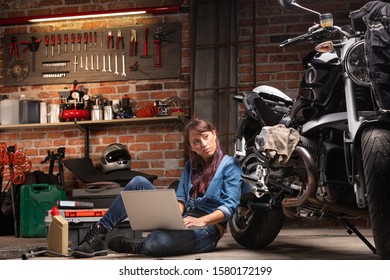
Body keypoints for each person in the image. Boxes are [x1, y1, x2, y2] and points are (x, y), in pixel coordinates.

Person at [72, 117, 242, 258]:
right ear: (191, 147)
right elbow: (181, 199)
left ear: (213, 134)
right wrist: (168, 215)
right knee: (138, 181)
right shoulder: (191, 166)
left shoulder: (230, 165)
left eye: (205, 137)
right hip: (184, 221)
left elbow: (229, 207)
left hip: (208, 230)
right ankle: (98, 234)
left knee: (155, 242)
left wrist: (202, 220)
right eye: (196, 142)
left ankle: (138, 246)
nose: (203, 144)